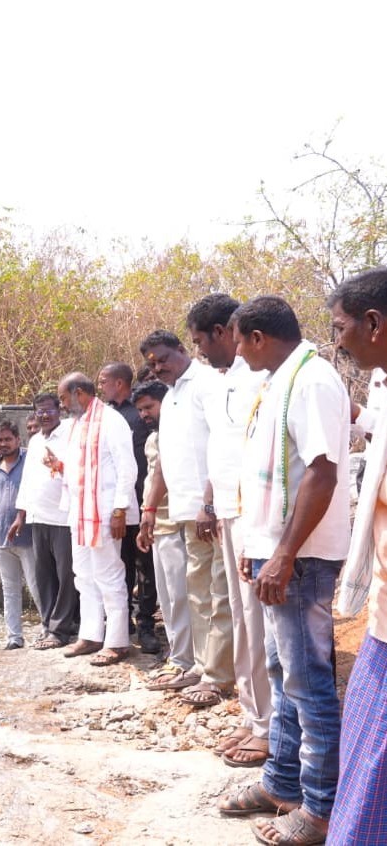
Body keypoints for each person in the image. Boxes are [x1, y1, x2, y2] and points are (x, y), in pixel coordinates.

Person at [216, 296, 349, 846]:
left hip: (300, 557)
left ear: (257, 338)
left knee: (308, 682)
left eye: (239, 341)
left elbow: (322, 474)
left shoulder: (313, 381)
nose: (238, 353)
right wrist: (264, 549)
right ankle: (282, 782)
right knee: (282, 674)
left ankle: (318, 809)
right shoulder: (282, 381)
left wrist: (284, 553)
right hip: (278, 553)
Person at [187, 293, 272, 769]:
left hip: (251, 516)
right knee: (243, 622)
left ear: (223, 333)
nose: (200, 350)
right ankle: (253, 713)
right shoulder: (222, 382)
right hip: (227, 513)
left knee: (257, 624)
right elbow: (221, 451)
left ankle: (266, 725)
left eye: (201, 340)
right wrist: (210, 505)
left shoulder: (258, 378)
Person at [138, 329, 234, 709]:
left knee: (219, 595)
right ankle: (200, 664)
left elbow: (223, 446)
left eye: (163, 358)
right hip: (183, 515)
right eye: (152, 364)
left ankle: (218, 677)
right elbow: (164, 460)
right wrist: (149, 510)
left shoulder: (207, 384)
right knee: (196, 595)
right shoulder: (173, 394)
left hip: (210, 513)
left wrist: (208, 504)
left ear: (182, 349)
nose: (159, 367)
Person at [328, 267, 387, 844]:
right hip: (382, 617)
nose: (338, 339)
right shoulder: (383, 387)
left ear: (373, 322)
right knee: (363, 753)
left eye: (341, 327)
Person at [47, 373, 137, 666]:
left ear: (79, 393)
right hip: (80, 513)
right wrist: (58, 466)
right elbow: (78, 470)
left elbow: (127, 467)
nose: (62, 405)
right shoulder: (77, 426)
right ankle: (91, 635)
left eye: (63, 398)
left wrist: (121, 509)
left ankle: (118, 641)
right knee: (83, 576)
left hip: (105, 513)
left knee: (109, 575)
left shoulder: (111, 421)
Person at [133, 381, 197, 692]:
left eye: (149, 407)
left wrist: (152, 512)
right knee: (168, 598)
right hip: (158, 524)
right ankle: (178, 657)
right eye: (141, 409)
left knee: (181, 596)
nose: (145, 414)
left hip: (175, 522)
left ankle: (185, 661)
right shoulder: (156, 437)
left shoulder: (178, 435)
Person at [97, 362, 159, 655]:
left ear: (119, 383)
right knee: (119, 566)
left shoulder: (139, 413)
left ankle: (146, 625)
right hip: (115, 506)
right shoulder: (104, 417)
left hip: (143, 499)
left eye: (104, 381)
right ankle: (123, 626)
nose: (101, 387)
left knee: (146, 566)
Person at [11, 392, 78, 649]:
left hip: (63, 518)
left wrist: (59, 464)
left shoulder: (71, 435)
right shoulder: (36, 440)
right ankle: (49, 624)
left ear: (59, 409)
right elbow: (27, 481)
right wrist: (21, 516)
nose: (45, 415)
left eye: (49, 410)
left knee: (65, 575)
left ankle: (61, 630)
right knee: (44, 575)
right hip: (38, 518)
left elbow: (79, 471)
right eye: (40, 411)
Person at [0, 420, 38, 650]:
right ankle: (14, 637)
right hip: (2, 539)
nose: (3, 444)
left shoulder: (30, 461)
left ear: (18, 440)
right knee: (10, 590)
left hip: (28, 536)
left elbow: (35, 493)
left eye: (8, 439)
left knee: (36, 586)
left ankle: (49, 631)